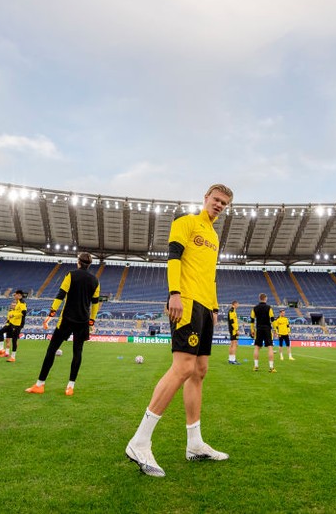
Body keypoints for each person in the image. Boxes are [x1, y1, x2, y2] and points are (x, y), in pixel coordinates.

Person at [125, 184, 234, 477]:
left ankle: (195, 443)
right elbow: (173, 258)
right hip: (185, 301)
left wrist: (214, 308)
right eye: (216, 200)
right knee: (183, 367)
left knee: (199, 370)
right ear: (206, 199)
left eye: (225, 203)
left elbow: (210, 276)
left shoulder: (213, 236)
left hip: (204, 305)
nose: (220, 205)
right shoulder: (185, 223)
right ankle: (140, 441)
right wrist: (174, 293)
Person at [25, 254, 100, 396]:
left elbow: (60, 294)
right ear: (89, 265)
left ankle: (40, 384)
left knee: (51, 350)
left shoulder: (70, 275)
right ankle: (70, 387)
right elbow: (95, 303)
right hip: (83, 321)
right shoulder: (95, 280)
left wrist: (51, 314)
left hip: (67, 319)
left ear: (78, 262)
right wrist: (92, 321)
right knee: (77, 352)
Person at [0, 290, 28, 362]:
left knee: (14, 340)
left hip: (18, 324)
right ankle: (1, 350)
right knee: (1, 332)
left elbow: (24, 313)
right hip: (12, 323)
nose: (14, 296)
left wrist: (13, 315)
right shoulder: (18, 302)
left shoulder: (22, 303)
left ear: (19, 295)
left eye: (15, 295)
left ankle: (13, 357)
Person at [251, 293, 276, 373]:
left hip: (259, 329)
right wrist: (275, 329)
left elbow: (252, 320)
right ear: (265, 299)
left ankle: (256, 366)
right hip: (267, 329)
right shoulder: (269, 308)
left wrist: (252, 330)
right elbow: (272, 319)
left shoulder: (254, 308)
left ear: (259, 298)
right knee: (270, 347)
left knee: (257, 347)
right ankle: (271, 367)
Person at [227, 300, 241, 365]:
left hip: (233, 330)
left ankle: (230, 359)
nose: (238, 305)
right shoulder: (232, 311)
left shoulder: (233, 311)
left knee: (233, 344)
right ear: (234, 304)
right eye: (237, 304)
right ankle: (232, 360)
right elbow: (232, 322)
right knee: (234, 344)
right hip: (233, 330)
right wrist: (236, 330)